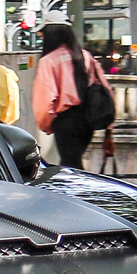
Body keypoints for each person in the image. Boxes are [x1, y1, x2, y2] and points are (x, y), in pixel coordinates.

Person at [30, 20, 112, 168]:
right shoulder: (86, 56)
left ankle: (78, 191)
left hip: (65, 121)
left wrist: (46, 125)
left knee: (70, 165)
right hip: (87, 120)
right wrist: (109, 130)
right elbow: (105, 89)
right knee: (72, 162)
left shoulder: (48, 61)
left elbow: (46, 98)